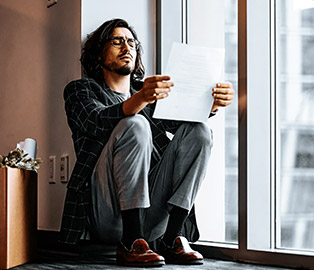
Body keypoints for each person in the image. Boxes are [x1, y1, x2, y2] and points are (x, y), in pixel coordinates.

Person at [59, 18, 234, 267]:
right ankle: (131, 240)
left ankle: (173, 236)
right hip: (105, 210)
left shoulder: (148, 98)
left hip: (151, 215)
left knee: (200, 131)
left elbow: (184, 122)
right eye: (117, 41)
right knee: (134, 123)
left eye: (131, 42)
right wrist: (139, 99)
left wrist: (213, 104)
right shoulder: (80, 90)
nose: (127, 47)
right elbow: (95, 121)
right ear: (99, 54)